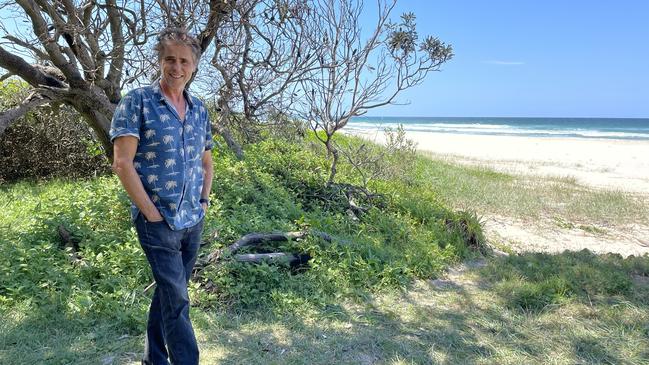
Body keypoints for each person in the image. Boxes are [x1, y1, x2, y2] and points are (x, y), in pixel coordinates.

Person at [110, 27, 213, 365]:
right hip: (159, 221)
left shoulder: (199, 110)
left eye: (184, 61)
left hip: (192, 220)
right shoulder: (137, 101)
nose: (177, 67)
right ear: (160, 60)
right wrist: (150, 213)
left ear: (194, 67)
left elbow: (206, 162)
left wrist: (203, 201)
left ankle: (154, 358)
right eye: (170, 59)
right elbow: (123, 163)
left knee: (169, 295)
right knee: (178, 300)